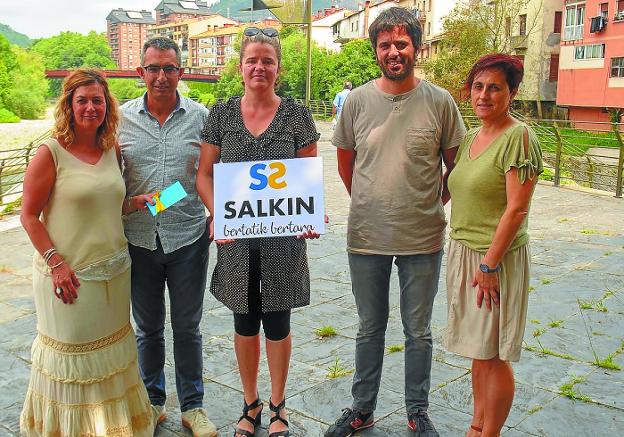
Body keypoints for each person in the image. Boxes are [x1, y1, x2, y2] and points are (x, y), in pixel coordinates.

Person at [326, 7, 466, 437]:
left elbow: (455, 167)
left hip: (423, 237)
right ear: (375, 50)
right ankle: (362, 407)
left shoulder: (440, 101)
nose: (393, 51)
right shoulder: (356, 102)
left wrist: (430, 201)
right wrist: (371, 201)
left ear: (416, 48)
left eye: (401, 43)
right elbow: (347, 163)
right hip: (366, 237)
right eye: (385, 44)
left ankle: (417, 410)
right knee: (369, 327)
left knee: (418, 330)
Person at [196, 26, 320, 437]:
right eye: (252, 60)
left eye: (267, 60)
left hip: (282, 241)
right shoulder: (223, 113)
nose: (259, 67)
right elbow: (203, 176)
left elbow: (306, 178)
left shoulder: (297, 115)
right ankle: (250, 402)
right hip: (236, 240)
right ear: (241, 65)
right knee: (244, 322)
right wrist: (217, 214)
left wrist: (309, 217)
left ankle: (278, 405)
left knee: (278, 322)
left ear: (278, 68)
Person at [19, 69, 155, 436]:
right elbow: (29, 215)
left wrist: (137, 203)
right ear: (69, 104)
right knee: (73, 360)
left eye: (97, 100)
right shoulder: (50, 153)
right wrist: (56, 263)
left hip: (114, 273)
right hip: (71, 277)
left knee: (112, 355)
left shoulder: (110, 148)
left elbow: (108, 206)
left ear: (107, 105)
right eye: (83, 100)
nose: (91, 107)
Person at [118, 37, 216, 437]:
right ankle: (152, 401)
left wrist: (222, 215)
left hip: (188, 236)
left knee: (188, 326)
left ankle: (193, 406)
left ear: (181, 72)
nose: (161, 77)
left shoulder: (202, 118)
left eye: (169, 68)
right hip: (138, 239)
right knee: (148, 328)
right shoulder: (119, 119)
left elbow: (218, 172)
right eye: (153, 68)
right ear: (141, 72)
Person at [444, 54, 543, 437]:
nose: (483, 95)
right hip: (464, 253)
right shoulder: (471, 135)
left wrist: (489, 266)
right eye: (478, 86)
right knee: (478, 349)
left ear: (512, 92)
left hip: (493, 261)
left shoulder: (518, 137)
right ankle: (476, 425)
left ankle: (490, 433)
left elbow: (517, 210)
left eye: (495, 87)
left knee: (495, 354)